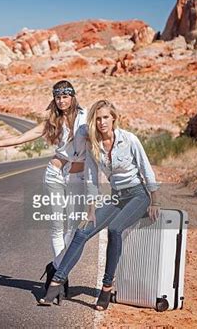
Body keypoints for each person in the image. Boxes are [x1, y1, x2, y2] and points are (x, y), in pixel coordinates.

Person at [38, 99, 160, 310]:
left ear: (114, 118)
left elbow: (146, 170)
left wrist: (154, 201)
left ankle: (106, 288)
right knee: (82, 232)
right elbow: (93, 180)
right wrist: (91, 210)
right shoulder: (93, 145)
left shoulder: (130, 140)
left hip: (138, 195)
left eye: (106, 117)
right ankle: (56, 282)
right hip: (116, 197)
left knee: (114, 229)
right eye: (98, 118)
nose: (102, 122)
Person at [0, 80, 87, 297]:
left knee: (73, 230)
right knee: (57, 226)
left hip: (77, 177)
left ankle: (55, 268)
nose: (61, 100)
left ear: (73, 97)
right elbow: (22, 138)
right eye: (58, 97)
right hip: (55, 174)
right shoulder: (52, 121)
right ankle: (60, 279)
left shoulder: (85, 119)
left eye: (65, 96)